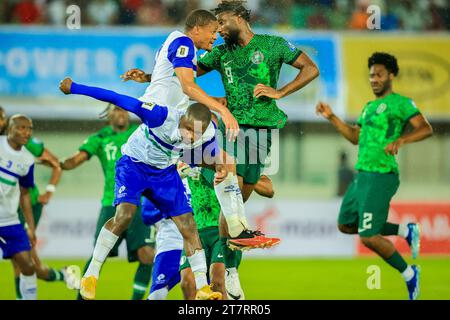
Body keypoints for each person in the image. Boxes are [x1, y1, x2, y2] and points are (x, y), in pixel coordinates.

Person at [120, 8, 279, 250]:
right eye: (213, 31)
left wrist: (147, 77)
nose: (215, 37)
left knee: (226, 162)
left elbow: (173, 84)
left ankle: (238, 230)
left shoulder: (184, 49)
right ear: (197, 29)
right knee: (222, 162)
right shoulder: (184, 42)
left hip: (170, 126)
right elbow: (186, 86)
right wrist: (220, 109)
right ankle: (183, 168)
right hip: (165, 130)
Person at [59, 77, 224, 300]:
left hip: (164, 172)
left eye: (195, 133)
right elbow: (115, 97)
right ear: (182, 118)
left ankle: (203, 287)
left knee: (188, 225)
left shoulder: (209, 133)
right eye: (186, 129)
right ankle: (91, 274)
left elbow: (209, 156)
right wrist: (75, 88)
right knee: (125, 215)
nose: (189, 136)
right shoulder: (159, 116)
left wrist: (221, 168)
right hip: (134, 165)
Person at [316, 52, 433, 300]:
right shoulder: (368, 108)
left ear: (391, 75)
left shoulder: (402, 103)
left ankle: (410, 274)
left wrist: (402, 139)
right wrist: (332, 117)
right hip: (362, 175)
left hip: (382, 175)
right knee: (346, 224)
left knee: (369, 236)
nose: (374, 79)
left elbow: (425, 128)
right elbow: (355, 138)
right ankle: (405, 231)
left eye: (379, 74)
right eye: (371, 75)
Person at [60, 104, 156, 300]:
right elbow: (75, 160)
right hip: (111, 202)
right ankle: (81, 298)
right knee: (99, 254)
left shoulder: (139, 132)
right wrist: (57, 162)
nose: (121, 112)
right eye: (116, 109)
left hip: (140, 201)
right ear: (108, 115)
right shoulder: (100, 138)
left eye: (123, 109)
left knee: (147, 254)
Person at [0, 106, 75, 298]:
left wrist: (48, 191)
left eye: (1, 117)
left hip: (23, 210)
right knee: (21, 264)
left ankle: (64, 274)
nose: (26, 132)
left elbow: (55, 164)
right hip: (10, 210)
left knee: (30, 265)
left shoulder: (28, 150)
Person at [0, 115, 38, 299]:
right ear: (10, 129)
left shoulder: (28, 160)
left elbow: (24, 194)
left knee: (28, 266)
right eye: (22, 127)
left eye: (29, 128)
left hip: (8, 219)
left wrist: (30, 227)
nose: (27, 132)